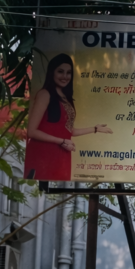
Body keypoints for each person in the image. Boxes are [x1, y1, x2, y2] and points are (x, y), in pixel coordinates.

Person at [24, 53, 112, 181]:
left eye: (69, 72)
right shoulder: (45, 94)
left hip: (62, 152)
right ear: (52, 72)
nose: (65, 76)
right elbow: (31, 131)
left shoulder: (66, 97)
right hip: (44, 153)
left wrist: (95, 129)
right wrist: (62, 141)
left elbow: (67, 130)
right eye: (60, 71)